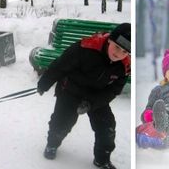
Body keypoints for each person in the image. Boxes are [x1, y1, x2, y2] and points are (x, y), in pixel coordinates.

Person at [37, 23, 131, 169]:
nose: (119, 54)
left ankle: (102, 159)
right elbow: (61, 65)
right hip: (70, 91)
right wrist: (45, 83)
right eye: (117, 47)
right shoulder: (86, 47)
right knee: (61, 122)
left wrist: (92, 103)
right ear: (110, 40)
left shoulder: (124, 66)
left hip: (96, 97)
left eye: (125, 52)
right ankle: (52, 144)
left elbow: (113, 90)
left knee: (107, 127)